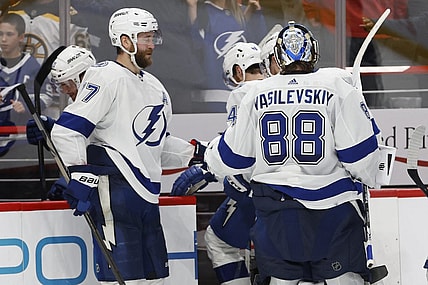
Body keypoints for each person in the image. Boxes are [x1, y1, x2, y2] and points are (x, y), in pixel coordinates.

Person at [184, 21, 382, 284]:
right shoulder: (338, 86)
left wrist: (207, 162)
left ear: (277, 57)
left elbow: (233, 157)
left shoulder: (254, 93)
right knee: (344, 279)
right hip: (332, 213)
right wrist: (368, 177)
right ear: (314, 53)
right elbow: (360, 157)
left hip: (275, 214)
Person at [50, 7, 204, 284]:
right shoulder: (105, 76)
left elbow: (157, 145)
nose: (151, 44)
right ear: (124, 41)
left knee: (154, 279)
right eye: (145, 37)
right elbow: (67, 131)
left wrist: (198, 153)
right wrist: (80, 175)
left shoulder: (154, 86)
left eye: (152, 37)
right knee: (125, 280)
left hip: (147, 198)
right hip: (116, 193)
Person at [172, 41, 264, 285]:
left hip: (260, 192)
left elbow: (238, 150)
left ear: (237, 71)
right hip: (301, 190)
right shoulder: (279, 89)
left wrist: (208, 170)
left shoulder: (242, 93)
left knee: (219, 241)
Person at [25, 45, 96, 200]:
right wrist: (50, 133)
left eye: (66, 84)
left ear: (81, 78)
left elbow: (101, 151)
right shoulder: (74, 107)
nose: (64, 90)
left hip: (114, 190)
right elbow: (77, 146)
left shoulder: (107, 104)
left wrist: (75, 179)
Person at [186, 0, 267, 112]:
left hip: (245, 97)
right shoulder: (202, 12)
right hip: (211, 98)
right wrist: (192, 7)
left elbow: (261, 51)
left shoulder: (245, 11)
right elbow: (195, 47)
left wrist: (256, 14)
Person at [0, 13, 45, 156]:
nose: (3, 39)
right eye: (0, 34)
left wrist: (25, 106)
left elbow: (45, 97)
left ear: (21, 37)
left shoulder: (32, 65)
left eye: (9, 34)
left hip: (22, 140)